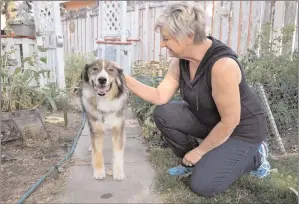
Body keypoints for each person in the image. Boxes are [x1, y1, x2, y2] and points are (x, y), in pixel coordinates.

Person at [124, 1, 271, 198]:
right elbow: (160, 96)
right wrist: (123, 78)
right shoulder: (180, 61)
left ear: (188, 37)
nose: (161, 44)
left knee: (204, 185)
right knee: (164, 113)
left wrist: (200, 151)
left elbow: (230, 122)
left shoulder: (222, 66)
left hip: (241, 131)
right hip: (211, 122)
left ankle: (256, 156)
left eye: (166, 38)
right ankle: (193, 159)